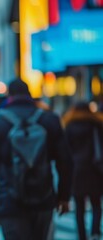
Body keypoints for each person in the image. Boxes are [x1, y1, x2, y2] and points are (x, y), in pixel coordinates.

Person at [0, 78, 73, 240]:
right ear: (29, 93)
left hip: (9, 199)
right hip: (44, 197)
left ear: (9, 95)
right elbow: (65, 162)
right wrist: (64, 197)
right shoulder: (49, 119)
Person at [62, 101, 103, 240]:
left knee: (79, 206)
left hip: (76, 170)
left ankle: (82, 235)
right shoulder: (96, 124)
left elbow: (65, 153)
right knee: (96, 203)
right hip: (94, 169)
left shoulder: (69, 126)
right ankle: (95, 232)